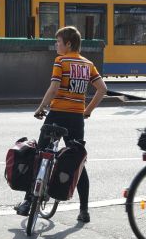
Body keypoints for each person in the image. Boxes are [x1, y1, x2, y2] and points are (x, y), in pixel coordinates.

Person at [15, 26, 107, 223]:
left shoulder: (61, 61)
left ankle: (27, 202)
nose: (56, 45)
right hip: (76, 119)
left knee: (39, 154)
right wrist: (87, 111)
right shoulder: (88, 64)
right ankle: (83, 211)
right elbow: (102, 89)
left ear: (68, 44)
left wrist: (41, 108)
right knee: (77, 161)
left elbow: (54, 88)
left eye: (58, 42)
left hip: (56, 115)